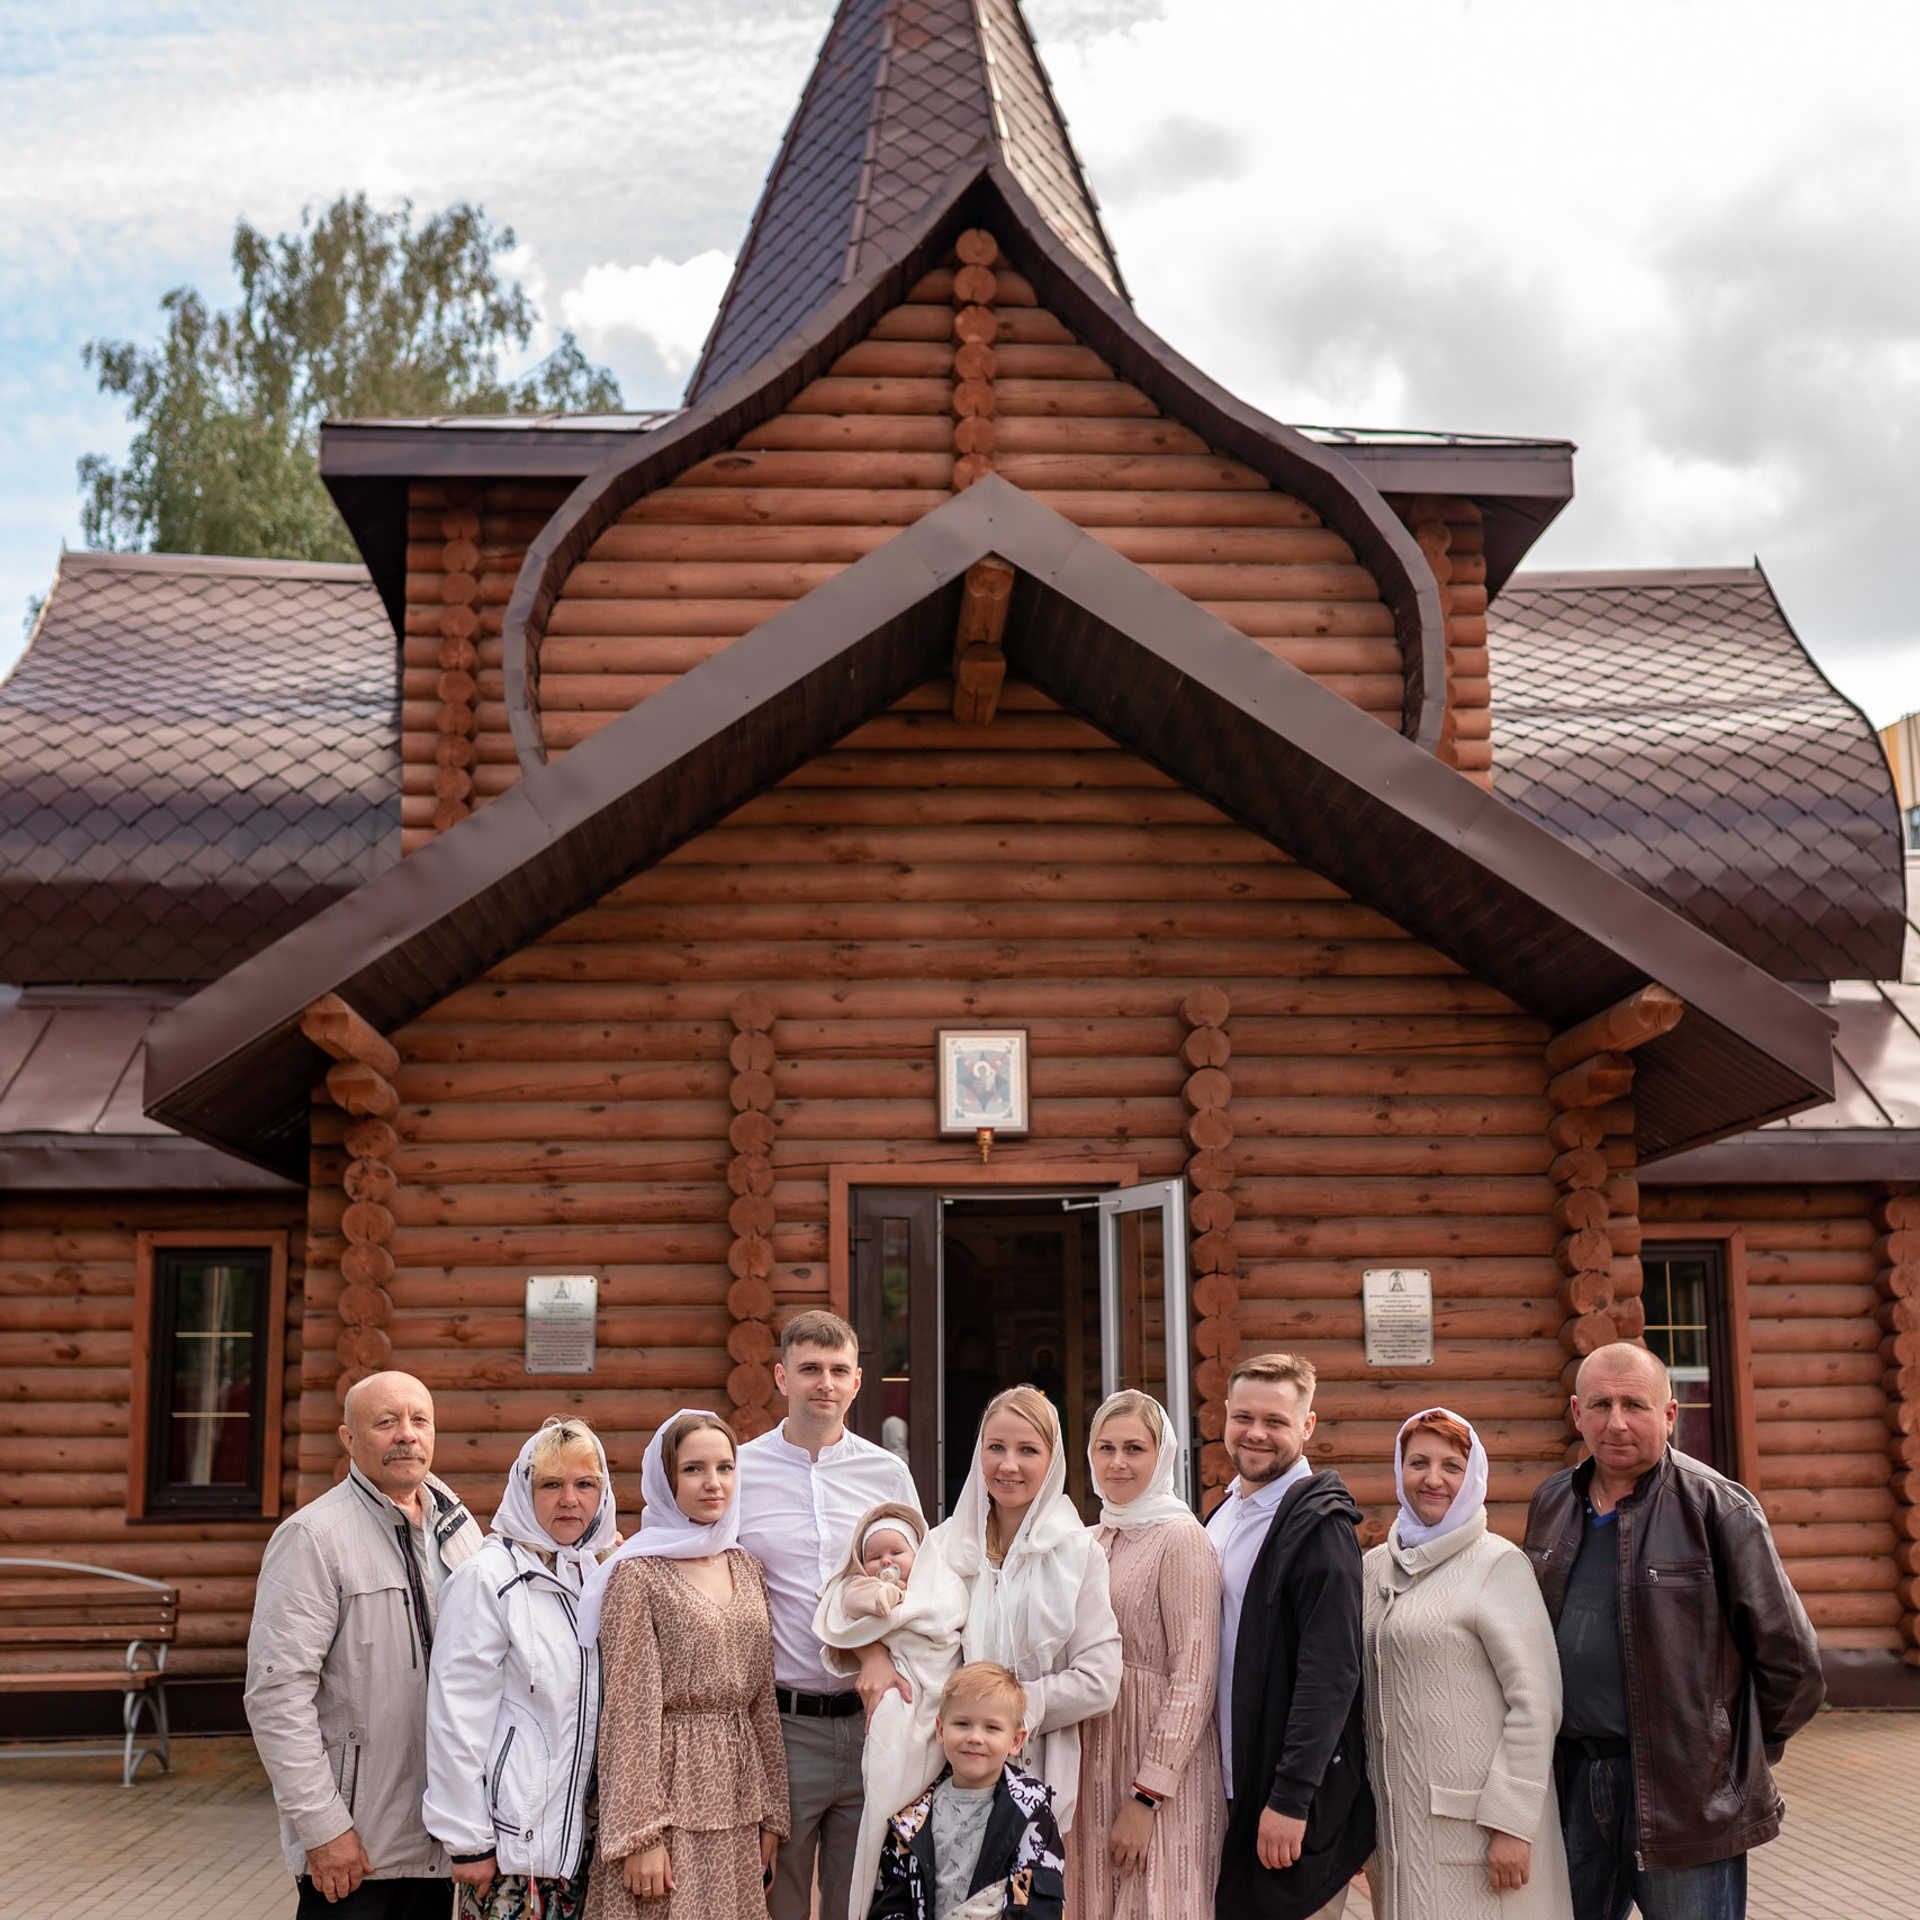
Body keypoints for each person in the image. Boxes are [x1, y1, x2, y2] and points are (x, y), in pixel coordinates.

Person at [1524, 1342, 1823, 1920]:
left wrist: (1730, 1755)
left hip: (1685, 1795)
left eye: (1634, 1404)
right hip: (1570, 1783)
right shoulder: (1552, 1502)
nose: (1616, 1422)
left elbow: (1793, 1664)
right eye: (1600, 1404)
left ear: (1669, 1415)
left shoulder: (1719, 1509)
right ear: (1576, 1412)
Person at [246, 1369, 484, 1917]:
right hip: (359, 1851)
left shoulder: (458, 1525)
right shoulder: (312, 1538)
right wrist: (324, 1828)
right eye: (386, 1422)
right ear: (349, 1440)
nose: (407, 1434)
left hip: (445, 1840)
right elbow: (276, 1698)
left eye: (419, 1420)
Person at [864, 1386, 1122, 1836]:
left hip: (1035, 1773)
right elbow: (907, 1639)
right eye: (996, 1447)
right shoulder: (941, 1547)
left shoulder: (1079, 1552)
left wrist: (1005, 1711)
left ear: (1053, 1458)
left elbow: (1099, 1681)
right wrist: (875, 1653)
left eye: (1028, 1450)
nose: (1008, 1465)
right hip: (942, 1776)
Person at [736, 1309, 921, 1920]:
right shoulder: (740, 1472)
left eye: (838, 1370)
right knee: (778, 1901)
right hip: (784, 1725)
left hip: (873, 1719)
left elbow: (917, 1584)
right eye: (810, 1369)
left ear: (858, 1381)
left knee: (860, 1898)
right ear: (781, 1377)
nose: (825, 1383)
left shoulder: (886, 1472)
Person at [578, 1409, 789, 1920]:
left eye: (725, 1467)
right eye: (694, 1469)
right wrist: (637, 1835)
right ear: (666, 1478)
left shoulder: (746, 1565)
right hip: (666, 1800)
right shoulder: (636, 1575)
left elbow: (762, 1700)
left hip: (738, 1797)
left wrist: (772, 1816)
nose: (713, 1483)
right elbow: (629, 1712)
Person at [1360, 1407, 1570, 1920]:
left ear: (1473, 1474)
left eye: (1452, 1466)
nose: (1433, 1479)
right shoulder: (1370, 1568)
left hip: (1480, 1836)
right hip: (1396, 1835)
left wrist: (1512, 1825)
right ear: (1398, 1469)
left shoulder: (1498, 1565)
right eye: (1418, 1463)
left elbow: (1536, 1704)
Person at [425, 1417, 619, 1919]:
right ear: (523, 1491)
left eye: (585, 1484)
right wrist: (468, 1841)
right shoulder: (488, 1580)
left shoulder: (601, 1575)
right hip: (512, 1852)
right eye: (551, 1485)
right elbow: (455, 1716)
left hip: (585, 1845)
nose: (569, 1499)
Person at [1206, 1353, 1372, 1920]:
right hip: (1230, 1786)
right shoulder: (1223, 1514)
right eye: (1244, 1417)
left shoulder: (1320, 1527)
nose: (1256, 1434)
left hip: (1287, 1800)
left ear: (1307, 1426)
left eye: (1276, 1421)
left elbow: (1332, 1672)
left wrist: (1292, 1797)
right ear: (1224, 1417)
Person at [1066, 1390, 1225, 1920]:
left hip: (1155, 1771)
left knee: (1154, 1901)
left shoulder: (1182, 1539)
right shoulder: (1089, 1538)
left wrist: (1146, 1797)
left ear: (1162, 1457)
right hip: (1092, 1760)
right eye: (1104, 1447)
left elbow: (1194, 1676)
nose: (1117, 1462)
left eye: (1134, 1448)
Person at [814, 1501, 970, 1919]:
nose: (886, 1561)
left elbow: (945, 1630)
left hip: (936, 1692)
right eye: (874, 1556)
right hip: (896, 1702)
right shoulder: (864, 1588)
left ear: (920, 1555)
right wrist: (882, 1597)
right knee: (883, 1796)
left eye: (896, 1553)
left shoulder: (941, 1588)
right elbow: (849, 1605)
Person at [868, 1662, 1067, 1920]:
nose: (975, 1737)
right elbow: (892, 1901)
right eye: (962, 1724)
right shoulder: (912, 1819)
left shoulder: (1031, 1813)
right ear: (940, 1730)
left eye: (991, 1728)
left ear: (1016, 1741)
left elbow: (1039, 1906)